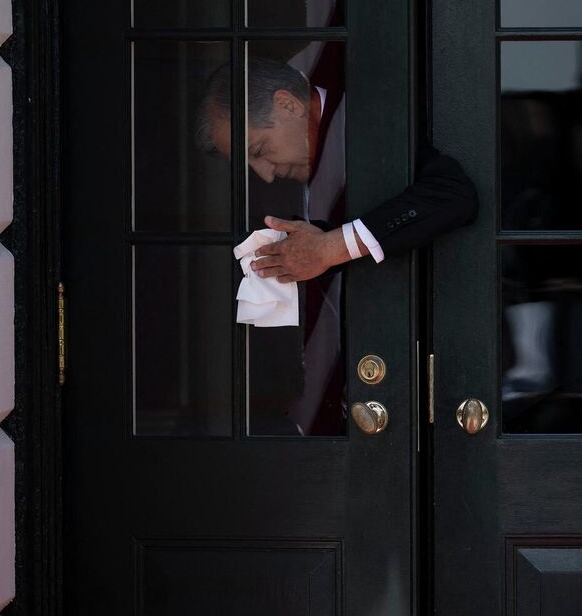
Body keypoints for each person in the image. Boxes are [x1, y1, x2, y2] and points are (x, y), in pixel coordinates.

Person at [195, 55, 476, 433]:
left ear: (288, 105)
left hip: (456, 387)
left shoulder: (369, 116)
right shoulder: (316, 152)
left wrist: (329, 248)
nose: (264, 175)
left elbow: (452, 195)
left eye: (258, 150)